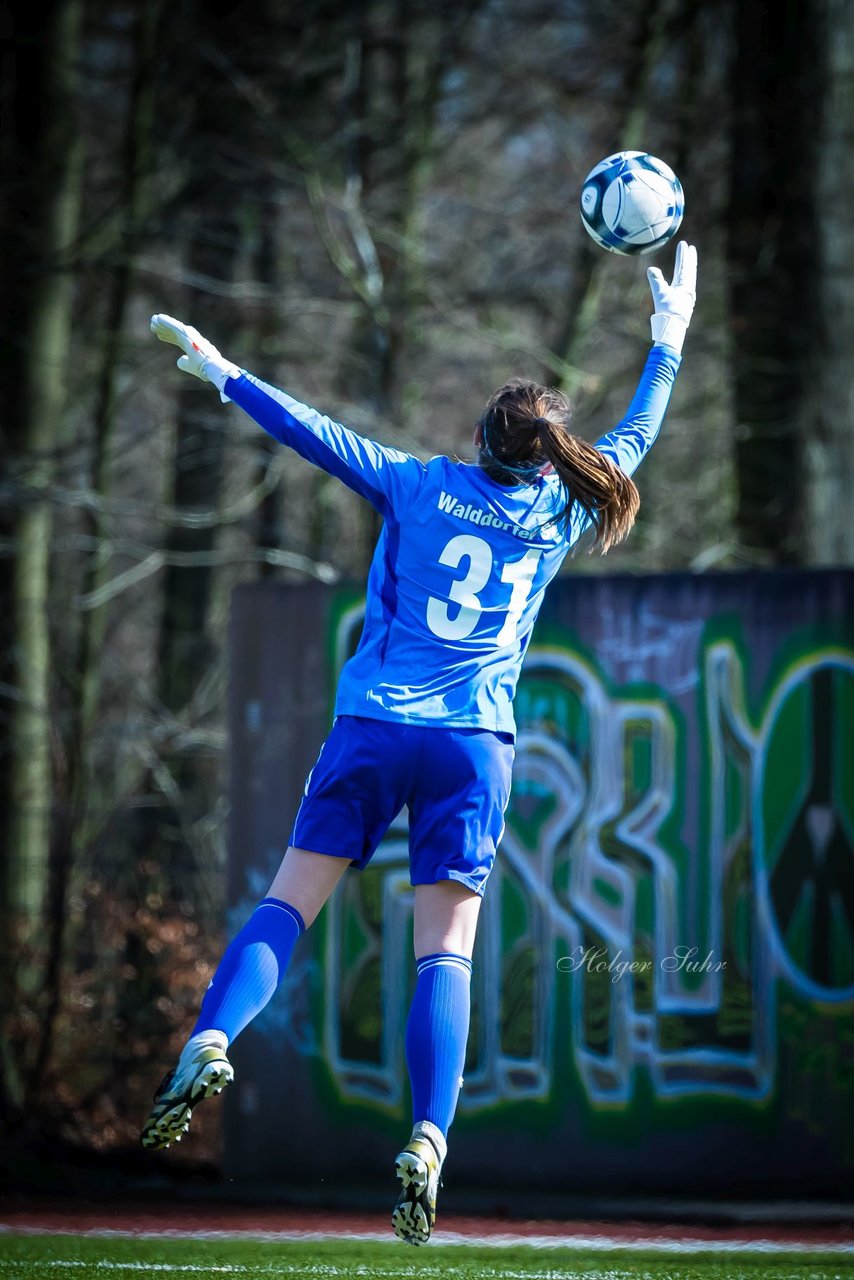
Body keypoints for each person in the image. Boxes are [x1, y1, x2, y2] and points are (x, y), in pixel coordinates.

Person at [140, 242, 698, 1244]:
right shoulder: (564, 505)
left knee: (286, 904)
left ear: (479, 435)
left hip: (373, 728)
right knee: (445, 947)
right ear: (545, 452)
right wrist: (666, 339)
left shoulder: (412, 482)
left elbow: (313, 433)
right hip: (470, 746)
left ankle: (216, 1032)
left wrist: (223, 371)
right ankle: (429, 1135)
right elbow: (640, 434)